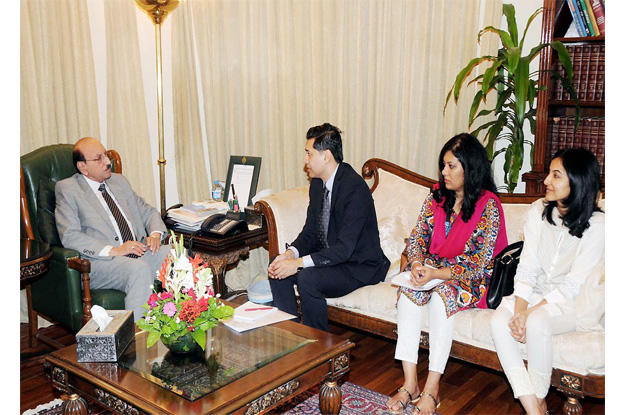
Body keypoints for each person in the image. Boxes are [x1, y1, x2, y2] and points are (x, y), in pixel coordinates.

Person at [387, 133, 508, 415]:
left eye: (452, 166)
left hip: (470, 278)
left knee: (443, 296)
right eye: (443, 165)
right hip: (431, 270)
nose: (444, 172)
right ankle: (409, 384)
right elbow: (417, 238)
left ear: (470, 168)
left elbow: (478, 262)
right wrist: (417, 265)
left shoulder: (488, 205)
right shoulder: (436, 197)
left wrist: (436, 274)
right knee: (407, 292)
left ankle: (432, 388)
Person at [489, 148, 604, 415]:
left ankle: (538, 398)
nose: (546, 181)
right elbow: (527, 267)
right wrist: (519, 312)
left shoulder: (599, 225)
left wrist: (529, 314)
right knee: (498, 320)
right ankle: (535, 408)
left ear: (577, 181)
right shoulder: (537, 212)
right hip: (533, 295)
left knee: (538, 320)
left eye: (556, 175)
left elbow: (573, 286)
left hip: (571, 303)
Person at [267, 123, 390, 332]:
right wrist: (290, 254)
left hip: (360, 266)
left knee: (307, 277)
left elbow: (344, 249)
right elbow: (311, 232)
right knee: (277, 266)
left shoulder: (355, 189)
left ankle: (318, 347)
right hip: (333, 260)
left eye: (309, 153)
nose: (305, 160)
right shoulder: (318, 183)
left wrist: (298, 264)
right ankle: (291, 334)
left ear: (326, 156)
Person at [55, 137, 170, 321]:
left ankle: (183, 327)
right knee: (138, 270)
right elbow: (70, 236)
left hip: (137, 251)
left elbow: (147, 211)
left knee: (176, 254)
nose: (108, 162)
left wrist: (155, 235)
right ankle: (138, 342)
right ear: (82, 167)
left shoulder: (119, 182)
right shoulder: (68, 189)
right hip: (100, 262)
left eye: (106, 155)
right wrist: (116, 250)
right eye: (99, 158)